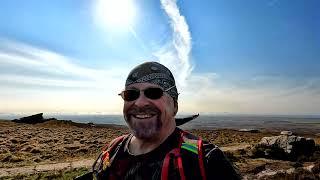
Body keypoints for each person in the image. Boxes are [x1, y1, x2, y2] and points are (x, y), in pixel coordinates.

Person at [79, 61, 241, 180]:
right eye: (131, 94)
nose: (140, 102)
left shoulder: (206, 161)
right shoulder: (112, 150)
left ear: (175, 106)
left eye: (154, 93)